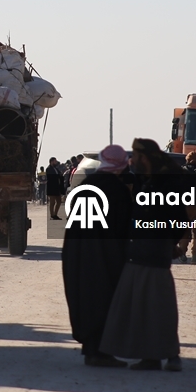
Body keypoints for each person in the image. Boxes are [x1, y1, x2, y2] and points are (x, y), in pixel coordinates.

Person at [101, 139, 192, 371]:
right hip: (139, 253)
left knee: (160, 309)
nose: (132, 161)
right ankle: (150, 357)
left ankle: (171, 355)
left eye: (136, 156)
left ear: (145, 157)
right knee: (140, 309)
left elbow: (179, 219)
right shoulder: (147, 181)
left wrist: (165, 239)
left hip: (155, 256)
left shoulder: (167, 183)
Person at [62, 145, 131, 368]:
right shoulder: (117, 190)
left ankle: (91, 349)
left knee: (85, 298)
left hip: (78, 253)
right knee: (105, 299)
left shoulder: (85, 185)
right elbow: (124, 227)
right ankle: (100, 352)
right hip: (106, 254)